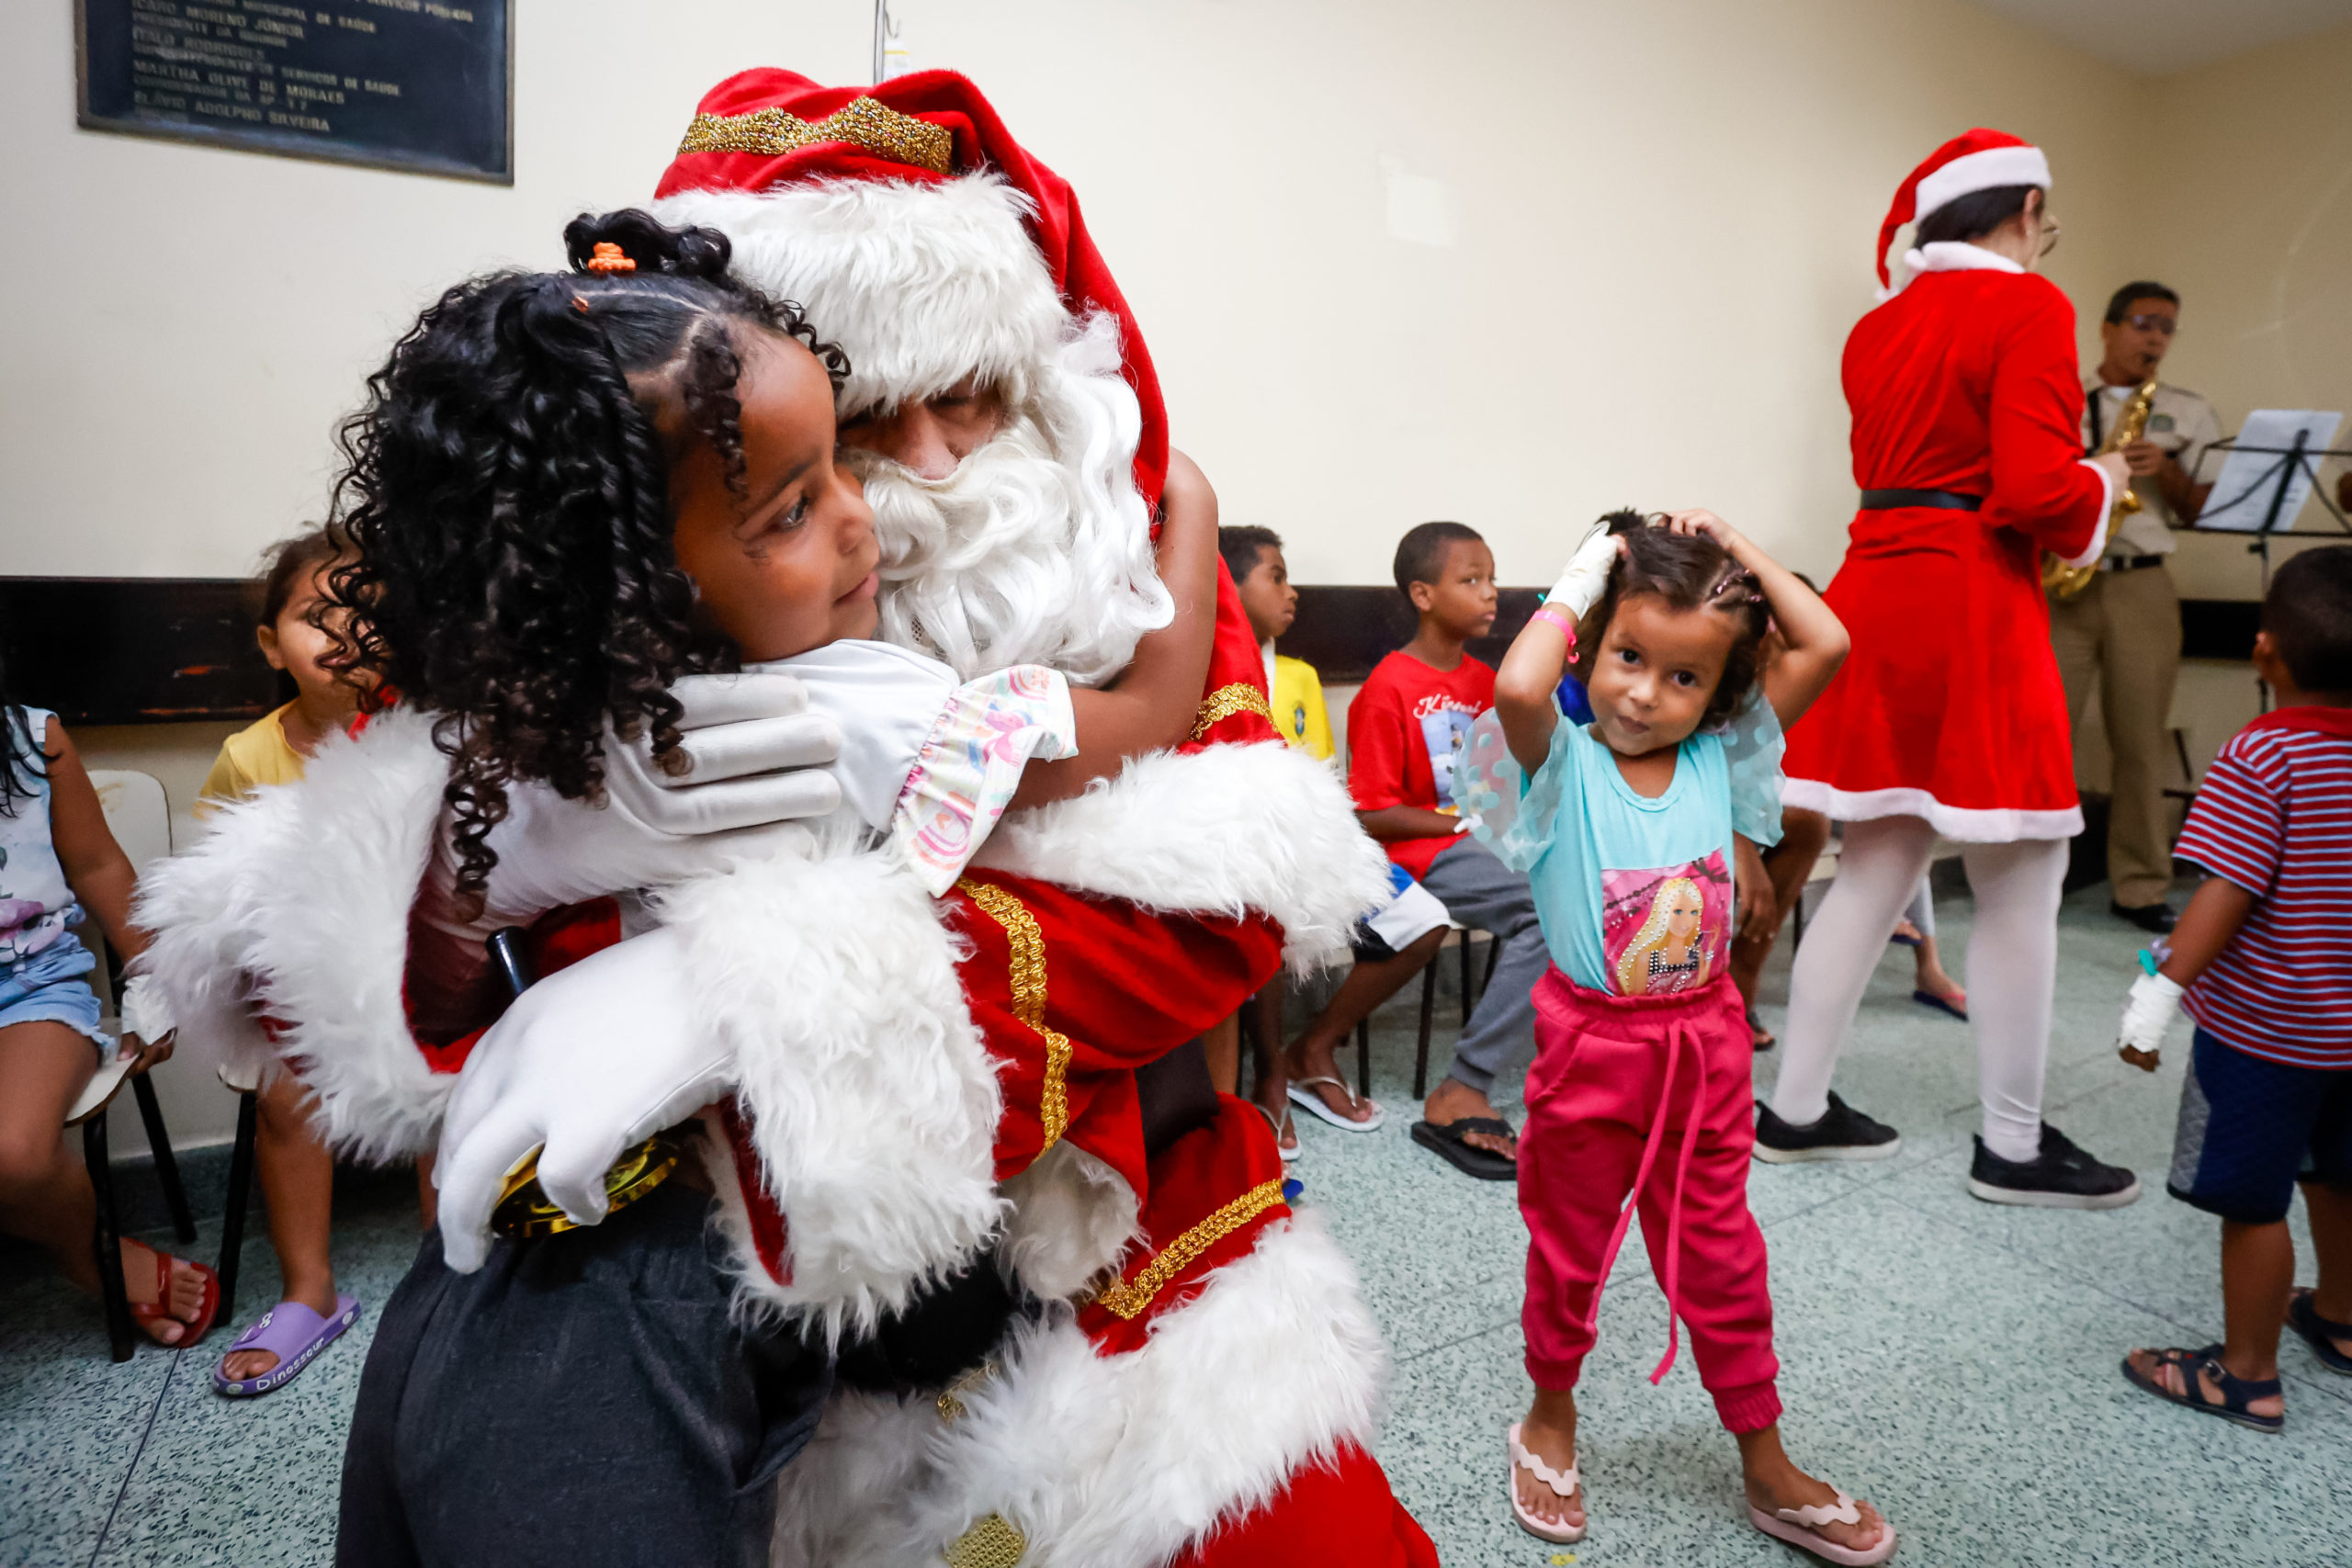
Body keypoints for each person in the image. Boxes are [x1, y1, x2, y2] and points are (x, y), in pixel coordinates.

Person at [146, 70, 1430, 1568]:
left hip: (1108, 1252)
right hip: (703, 1296)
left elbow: (1216, 897)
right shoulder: (592, 614)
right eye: (877, 418)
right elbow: (387, 926)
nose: (933, 470)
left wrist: (741, 995)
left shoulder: (1104, 566)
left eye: (980, 394)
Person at [1475, 509, 1890, 1562]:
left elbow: (1826, 643)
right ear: (1597, 640)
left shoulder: (1722, 758)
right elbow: (1521, 685)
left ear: (1721, 693)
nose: (1644, 693)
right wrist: (1593, 565)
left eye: (1682, 678)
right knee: (1570, 1251)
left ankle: (1764, 1459)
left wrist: (1738, 549)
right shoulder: (1558, 763)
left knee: (1719, 1257)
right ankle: (1549, 1416)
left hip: (1701, 1049)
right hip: (1591, 1051)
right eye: (1626, 656)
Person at [1767, 128, 2142, 1207]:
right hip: (1972, 594)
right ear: (2023, 206)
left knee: (1873, 862)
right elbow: (2031, 490)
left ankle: (1792, 1109)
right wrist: (2102, 477)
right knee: (2021, 878)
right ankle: (2013, 1148)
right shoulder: (2029, 305)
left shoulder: (1873, 327)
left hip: (1876, 587)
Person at [2115, 546, 2352, 1431]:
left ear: (2265, 653)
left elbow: (2225, 891)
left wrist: (2155, 1000)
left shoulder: (2264, 751)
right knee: (2338, 1175)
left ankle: (2247, 1372)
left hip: (2265, 1038)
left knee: (2252, 1201)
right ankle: (2341, 1315)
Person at [203, 528, 377, 1397]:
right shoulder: (250, 757)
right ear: (272, 644)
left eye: (370, 609)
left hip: (412, 975)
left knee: (457, 1077)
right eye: (319, 613)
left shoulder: (422, 736)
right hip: (304, 984)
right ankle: (310, 1287)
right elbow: (218, 889)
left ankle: (456, 1272)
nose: (348, 631)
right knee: (285, 1092)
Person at [0, 653, 210, 1348]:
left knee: (15, 1157)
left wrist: (152, 979)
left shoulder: (34, 738)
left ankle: (89, 1254)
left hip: (28, 987)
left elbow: (97, 865)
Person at [1350, 520, 1547, 1179]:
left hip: (1480, 841)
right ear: (1423, 593)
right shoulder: (1389, 685)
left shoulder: (1487, 679)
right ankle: (1466, 1081)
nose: (1491, 593)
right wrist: (1459, 826)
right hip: (1423, 855)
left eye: (1492, 578)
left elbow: (1505, 785)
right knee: (1542, 910)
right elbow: (1374, 813)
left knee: (1591, 882)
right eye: (1472, 580)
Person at [2053, 280, 2223, 935]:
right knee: (2045, 737)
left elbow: (2204, 509)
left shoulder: (2188, 410)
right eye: (2143, 323)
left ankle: (2140, 884)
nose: (2154, 337)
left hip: (2142, 582)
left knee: (2141, 744)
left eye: (2167, 327)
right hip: (2064, 577)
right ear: (2108, 327)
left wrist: (2167, 472)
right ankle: (2033, 877)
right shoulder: (2062, 397)